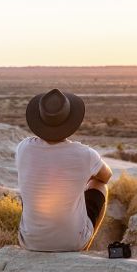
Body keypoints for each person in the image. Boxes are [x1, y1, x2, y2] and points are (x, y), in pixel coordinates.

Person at [16, 88, 112, 251]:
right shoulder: (85, 154)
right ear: (71, 121)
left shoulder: (23, 148)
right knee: (100, 186)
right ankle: (85, 245)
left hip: (30, 243)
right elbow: (106, 176)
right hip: (71, 244)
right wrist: (84, 179)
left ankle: (39, 234)